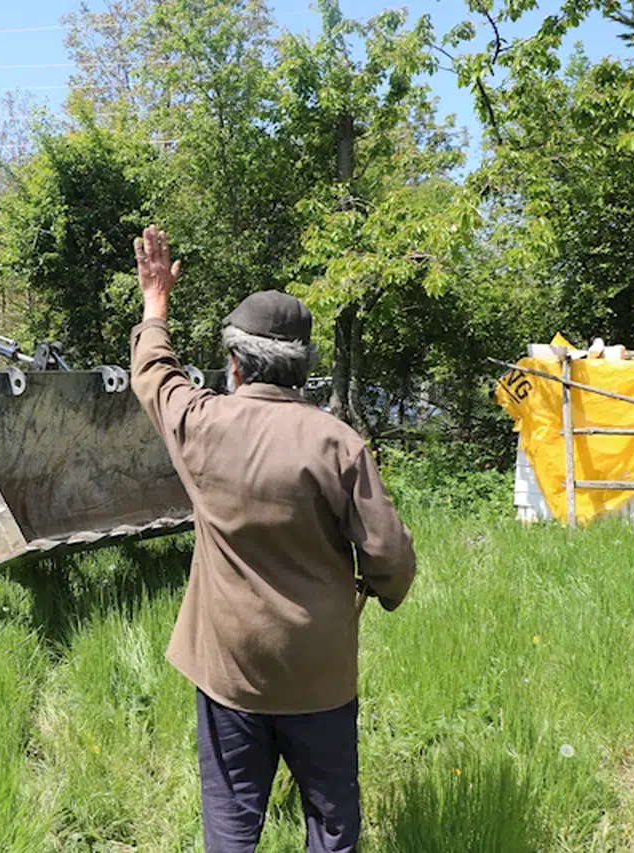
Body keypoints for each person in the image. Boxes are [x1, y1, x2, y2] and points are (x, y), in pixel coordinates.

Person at [128, 225, 417, 853]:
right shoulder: (337, 442)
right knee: (333, 822)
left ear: (234, 364)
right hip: (320, 673)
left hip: (230, 671)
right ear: (304, 368)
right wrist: (379, 589)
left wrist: (156, 302)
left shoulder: (203, 425)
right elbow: (390, 557)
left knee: (232, 824)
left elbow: (154, 373)